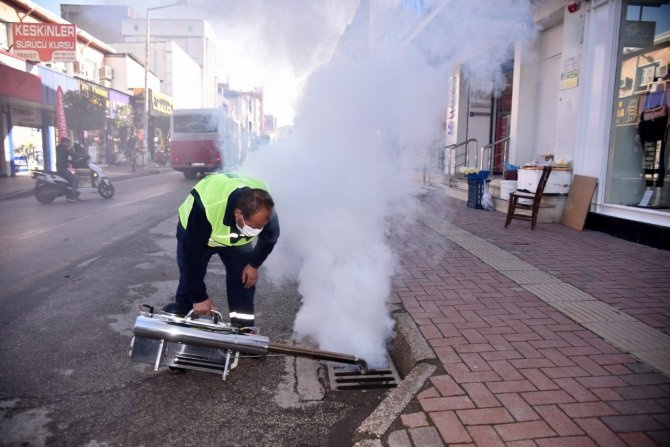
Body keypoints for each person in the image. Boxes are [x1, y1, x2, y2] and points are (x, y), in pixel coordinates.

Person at [174, 173, 280, 328]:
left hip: (234, 242)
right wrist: (199, 297)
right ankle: (182, 322)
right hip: (196, 234)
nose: (257, 231)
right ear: (238, 214)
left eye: (260, 228)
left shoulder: (265, 209)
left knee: (244, 280)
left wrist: (253, 264)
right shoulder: (208, 207)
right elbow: (191, 257)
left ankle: (242, 331)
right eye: (252, 228)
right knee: (189, 280)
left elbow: (271, 237)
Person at [55, 137, 81, 203]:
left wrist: (70, 161)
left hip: (61, 168)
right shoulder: (64, 149)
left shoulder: (60, 149)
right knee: (75, 179)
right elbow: (72, 153)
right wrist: (82, 155)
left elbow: (63, 159)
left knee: (71, 179)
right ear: (64, 143)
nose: (68, 144)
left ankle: (69, 195)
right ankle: (72, 196)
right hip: (62, 169)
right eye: (67, 142)